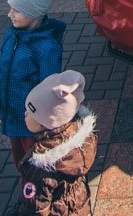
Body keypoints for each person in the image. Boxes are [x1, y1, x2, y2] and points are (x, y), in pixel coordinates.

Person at [0, 0, 65, 189]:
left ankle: (38, 198)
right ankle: (28, 194)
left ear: (34, 13)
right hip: (13, 115)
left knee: (38, 166)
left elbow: (49, 90)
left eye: (17, 10)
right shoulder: (12, 35)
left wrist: (42, 121)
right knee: (21, 163)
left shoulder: (47, 47)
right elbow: (2, 71)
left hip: (33, 123)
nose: (9, 14)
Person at [16, 70, 97, 216]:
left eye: (30, 113)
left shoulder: (40, 168)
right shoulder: (78, 143)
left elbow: (36, 208)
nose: (25, 114)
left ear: (45, 123)